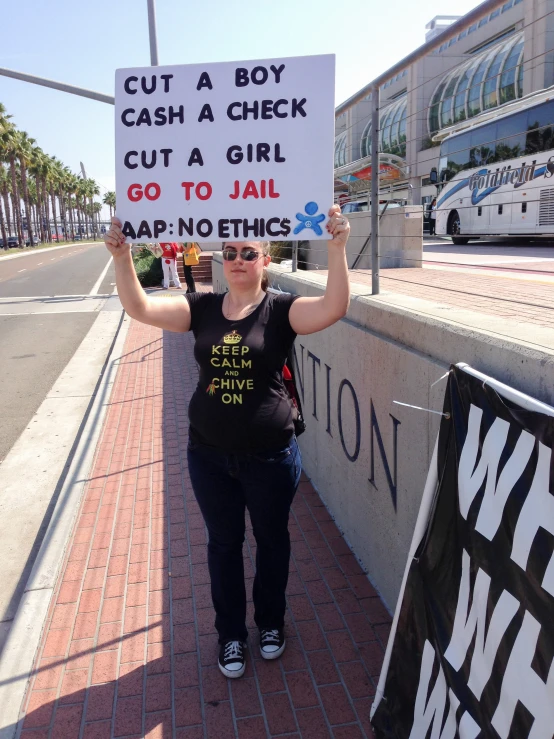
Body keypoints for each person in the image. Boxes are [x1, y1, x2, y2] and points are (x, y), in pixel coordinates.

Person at [104, 206, 350, 679]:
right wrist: (122, 259)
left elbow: (333, 307)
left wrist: (337, 250)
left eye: (249, 253)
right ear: (223, 256)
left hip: (271, 458)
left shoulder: (280, 310)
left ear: (265, 259)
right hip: (209, 457)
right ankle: (232, 635)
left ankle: (271, 624)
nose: (238, 259)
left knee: (272, 542)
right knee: (223, 545)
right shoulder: (200, 309)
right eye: (232, 251)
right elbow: (140, 307)